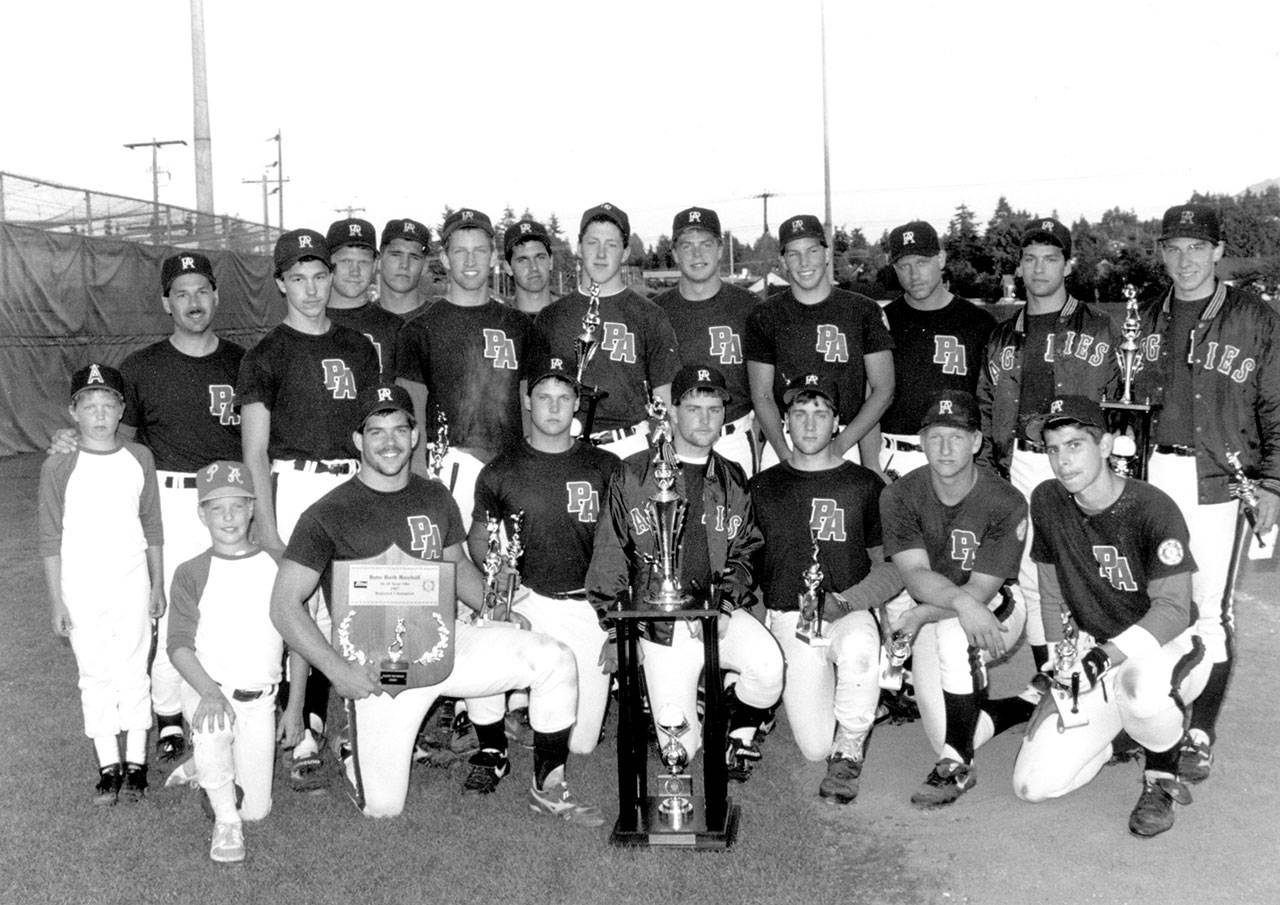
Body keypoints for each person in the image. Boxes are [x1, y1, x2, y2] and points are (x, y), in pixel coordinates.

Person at [269, 383, 601, 825]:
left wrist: (496, 607)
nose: (389, 442)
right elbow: (284, 605)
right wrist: (336, 670)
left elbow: (458, 566)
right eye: (376, 431)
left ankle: (549, 784)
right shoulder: (328, 512)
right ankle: (352, 743)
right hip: (375, 669)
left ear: (415, 435)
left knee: (553, 657)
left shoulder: (434, 497)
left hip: (444, 644)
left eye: (399, 429)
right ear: (357, 441)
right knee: (384, 809)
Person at [46, 251, 245, 765]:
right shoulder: (141, 367)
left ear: (217, 296)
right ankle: (169, 715)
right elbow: (115, 447)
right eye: (181, 293)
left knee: (226, 606)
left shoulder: (243, 362)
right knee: (168, 611)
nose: (193, 301)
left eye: (202, 290)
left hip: (226, 498)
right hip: (170, 497)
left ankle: (223, 704)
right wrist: (70, 440)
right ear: (165, 302)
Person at [1011, 396, 1211, 837]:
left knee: (1139, 688)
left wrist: (1104, 657)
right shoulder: (1047, 499)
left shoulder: (1151, 507)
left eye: (1075, 444)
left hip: (1168, 646)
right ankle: (1119, 735)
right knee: (1032, 785)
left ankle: (1162, 773)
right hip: (1095, 646)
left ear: (1105, 447)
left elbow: (1175, 610)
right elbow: (1049, 591)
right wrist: (1056, 662)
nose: (1062, 461)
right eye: (1052, 449)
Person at [1134, 202, 1280, 783]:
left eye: (1197, 247)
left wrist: (1273, 482)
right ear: (1162, 253)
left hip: (1221, 478)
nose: (1185, 259)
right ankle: (1148, 713)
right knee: (1152, 601)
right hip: (1147, 477)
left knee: (1210, 613)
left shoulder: (1255, 316)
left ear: (1219, 251)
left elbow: (1277, 403)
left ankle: (1200, 732)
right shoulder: (1142, 314)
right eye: (1174, 247)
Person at [587, 365, 782, 778]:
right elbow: (609, 553)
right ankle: (686, 702)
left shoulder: (732, 477)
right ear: (672, 413)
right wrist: (618, 633)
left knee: (769, 670)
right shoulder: (634, 473)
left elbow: (747, 549)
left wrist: (725, 606)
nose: (706, 419)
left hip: (716, 617)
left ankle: (734, 723)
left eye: (714, 409)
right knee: (682, 751)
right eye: (694, 408)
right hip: (658, 624)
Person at [237, 228, 380, 790]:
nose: (311, 287)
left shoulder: (356, 345)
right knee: (299, 610)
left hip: (352, 481)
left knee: (357, 609)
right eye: (297, 277)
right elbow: (254, 448)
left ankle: (354, 725)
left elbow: (375, 427)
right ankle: (297, 722)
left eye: (319, 275)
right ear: (280, 283)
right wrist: (268, 526)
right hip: (296, 482)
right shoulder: (265, 354)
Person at [749, 373, 904, 803]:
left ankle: (851, 746)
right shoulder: (762, 487)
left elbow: (892, 569)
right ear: (785, 422)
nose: (811, 424)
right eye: (800, 413)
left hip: (846, 611)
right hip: (789, 618)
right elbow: (748, 568)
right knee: (815, 746)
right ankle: (834, 721)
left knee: (857, 650)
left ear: (838, 421)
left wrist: (848, 601)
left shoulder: (864, 484)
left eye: (821, 413)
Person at [977, 218, 1119, 675]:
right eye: (1031, 259)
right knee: (1036, 576)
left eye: (1051, 259)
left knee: (1091, 573)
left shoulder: (1099, 326)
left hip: (1083, 460)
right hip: (1021, 459)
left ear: (1068, 265)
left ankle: (1097, 676)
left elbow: (1119, 402)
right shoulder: (1001, 334)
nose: (1039, 269)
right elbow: (984, 403)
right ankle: (1051, 674)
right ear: (1019, 266)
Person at [879, 390, 1033, 808]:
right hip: (941, 605)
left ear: (977, 442)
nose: (946, 448)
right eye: (936, 436)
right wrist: (934, 610)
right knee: (941, 730)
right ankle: (1025, 703)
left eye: (958, 436)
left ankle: (957, 765)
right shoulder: (899, 494)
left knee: (953, 638)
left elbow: (982, 591)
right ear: (921, 440)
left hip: (998, 606)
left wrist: (925, 614)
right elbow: (914, 575)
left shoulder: (1006, 499)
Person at [468, 356, 620, 753]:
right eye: (544, 396)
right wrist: (497, 579)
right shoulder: (500, 470)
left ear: (577, 404)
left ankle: (533, 704)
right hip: (529, 600)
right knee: (483, 630)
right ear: (528, 402)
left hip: (587, 605)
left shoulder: (606, 466)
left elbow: (628, 548)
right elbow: (479, 537)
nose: (554, 407)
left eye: (564, 397)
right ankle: (491, 743)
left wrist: (619, 626)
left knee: (581, 744)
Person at [38, 363, 165, 805]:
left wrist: (157, 584)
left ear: (122, 409)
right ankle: (107, 763)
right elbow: (50, 536)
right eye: (88, 406)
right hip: (81, 583)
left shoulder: (138, 458)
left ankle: (136, 762)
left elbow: (152, 525)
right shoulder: (60, 464)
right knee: (94, 671)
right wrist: (57, 600)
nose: (99, 415)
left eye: (108, 405)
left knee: (133, 666)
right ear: (73, 412)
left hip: (130, 577)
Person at [167, 461, 294, 864]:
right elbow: (178, 646)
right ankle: (225, 821)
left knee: (257, 809)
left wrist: (294, 706)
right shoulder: (191, 571)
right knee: (213, 727)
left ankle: (202, 768)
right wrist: (208, 692)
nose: (228, 517)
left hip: (260, 699)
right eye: (216, 508)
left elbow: (299, 639)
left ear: (253, 508)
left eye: (237, 507)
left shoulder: (277, 564)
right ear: (201, 513)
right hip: (211, 691)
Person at [395, 207, 535, 532]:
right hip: (448, 466)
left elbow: (529, 404)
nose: (470, 261)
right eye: (460, 251)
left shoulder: (518, 325)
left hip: (511, 466)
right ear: (444, 259)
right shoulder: (421, 329)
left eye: (479, 251)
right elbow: (410, 412)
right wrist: (419, 481)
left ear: (494, 258)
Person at [745, 213, 894, 472]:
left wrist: (838, 448)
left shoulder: (863, 310)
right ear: (782, 261)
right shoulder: (765, 315)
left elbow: (883, 389)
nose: (804, 262)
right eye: (793, 254)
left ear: (826, 254)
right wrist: (784, 455)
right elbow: (762, 394)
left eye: (812, 251)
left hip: (847, 439)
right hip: (787, 439)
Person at [533, 202, 681, 458]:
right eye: (593, 243)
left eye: (611, 245)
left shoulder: (649, 314)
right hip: (565, 445)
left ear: (625, 253)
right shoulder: (552, 317)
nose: (601, 254)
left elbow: (665, 395)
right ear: (579, 248)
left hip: (629, 445)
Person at [878, 221, 994, 478]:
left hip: (959, 454)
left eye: (921, 262)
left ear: (940, 259)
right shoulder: (881, 322)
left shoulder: (979, 322)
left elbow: (990, 403)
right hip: (895, 456)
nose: (913, 274)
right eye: (903, 266)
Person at [653, 207, 760, 476]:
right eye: (687, 246)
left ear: (721, 249)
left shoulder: (750, 307)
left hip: (733, 438)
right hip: (675, 439)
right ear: (675, 253)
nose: (697, 254)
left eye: (706, 244)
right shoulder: (654, 312)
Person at [325, 217, 404, 378]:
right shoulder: (306, 324)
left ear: (375, 265)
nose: (355, 271)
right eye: (346, 261)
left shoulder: (396, 328)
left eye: (363, 262)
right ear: (327, 263)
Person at [376, 217, 431, 319]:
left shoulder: (445, 321)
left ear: (425, 266)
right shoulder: (356, 321)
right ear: (379, 261)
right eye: (396, 255)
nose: (405, 264)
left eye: (414, 257)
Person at [504, 218, 556, 316]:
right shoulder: (497, 319)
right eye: (523, 260)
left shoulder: (573, 313)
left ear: (551, 261)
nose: (534, 267)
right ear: (508, 268)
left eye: (540, 257)